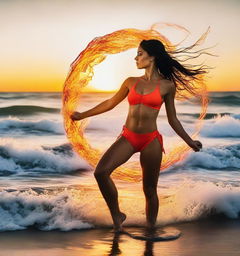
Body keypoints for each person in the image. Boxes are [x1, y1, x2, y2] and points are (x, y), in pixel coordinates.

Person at [71, 39, 203, 232]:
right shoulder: (130, 82)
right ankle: (117, 215)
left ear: (152, 57)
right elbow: (110, 103)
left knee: (149, 190)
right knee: (101, 172)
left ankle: (151, 230)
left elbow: (173, 119)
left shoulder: (167, 86)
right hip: (128, 137)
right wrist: (82, 115)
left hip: (151, 141)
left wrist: (189, 141)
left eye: (140, 53)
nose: (136, 57)